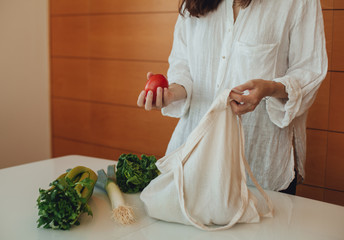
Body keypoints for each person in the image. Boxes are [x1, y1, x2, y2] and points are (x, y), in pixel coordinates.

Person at [137, 0, 327, 195]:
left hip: (259, 165)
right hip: (193, 159)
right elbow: (182, 66)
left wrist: (270, 88)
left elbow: (309, 71)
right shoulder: (193, 4)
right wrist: (171, 93)